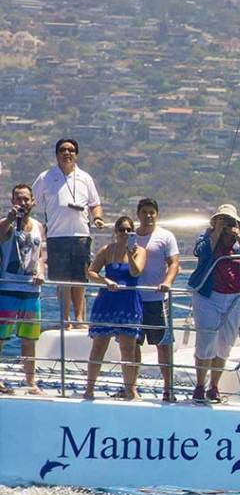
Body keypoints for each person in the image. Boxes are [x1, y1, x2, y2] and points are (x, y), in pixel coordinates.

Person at [188, 205, 240, 404]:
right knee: (206, 339)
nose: (226, 225)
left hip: (236, 296)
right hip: (208, 296)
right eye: (222, 220)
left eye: (230, 221)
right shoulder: (206, 237)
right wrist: (216, 233)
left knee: (225, 341)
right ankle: (200, 384)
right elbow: (202, 253)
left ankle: (214, 385)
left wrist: (239, 237)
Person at [33, 137, 104, 328]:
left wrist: (97, 218)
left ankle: (79, 318)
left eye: (71, 150)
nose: (67, 153)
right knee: (62, 280)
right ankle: (65, 319)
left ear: (76, 154)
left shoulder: (85, 177)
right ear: (57, 155)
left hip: (81, 235)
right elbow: (33, 201)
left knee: (80, 278)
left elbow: (95, 204)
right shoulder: (46, 177)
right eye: (63, 150)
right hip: (57, 236)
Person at [82, 216, 146, 400]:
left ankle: (130, 389)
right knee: (99, 346)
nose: (125, 233)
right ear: (116, 231)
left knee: (128, 349)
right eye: (121, 229)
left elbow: (135, 272)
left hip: (128, 303)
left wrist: (130, 254)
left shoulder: (140, 251)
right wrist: (105, 280)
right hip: (108, 302)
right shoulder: (107, 250)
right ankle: (89, 388)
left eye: (128, 230)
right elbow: (91, 272)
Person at [0, 183, 46, 394]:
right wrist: (10, 218)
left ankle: (30, 382)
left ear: (33, 201)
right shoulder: (5, 224)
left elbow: (40, 255)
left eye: (26, 199)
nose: (23, 202)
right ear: (12, 201)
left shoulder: (38, 226)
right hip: (7, 288)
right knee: (1, 337)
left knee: (29, 338)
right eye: (18, 198)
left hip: (31, 290)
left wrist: (41, 272)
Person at [134, 198, 180, 401]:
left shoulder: (166, 236)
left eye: (152, 212)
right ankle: (131, 387)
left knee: (163, 344)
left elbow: (174, 263)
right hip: (134, 298)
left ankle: (168, 388)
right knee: (132, 344)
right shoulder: (131, 236)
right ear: (138, 214)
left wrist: (167, 282)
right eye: (144, 212)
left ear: (157, 214)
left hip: (157, 299)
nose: (148, 216)